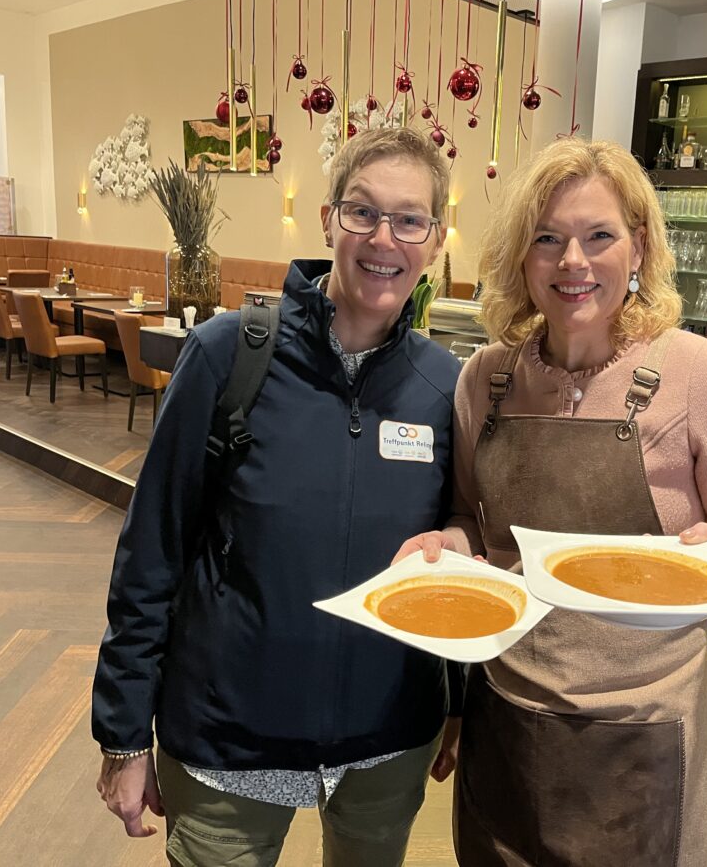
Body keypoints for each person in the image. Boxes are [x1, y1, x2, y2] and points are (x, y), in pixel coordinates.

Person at [396, 139, 707, 866]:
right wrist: (448, 549)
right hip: (507, 724)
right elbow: (467, 520)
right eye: (546, 239)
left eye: (598, 236)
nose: (571, 262)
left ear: (639, 247)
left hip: (643, 740)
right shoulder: (484, 381)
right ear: (522, 259)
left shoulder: (699, 374)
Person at [91, 126, 463, 867]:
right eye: (362, 212)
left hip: (385, 741)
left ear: (436, 238)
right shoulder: (228, 356)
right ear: (328, 219)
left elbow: (455, 560)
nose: (383, 238)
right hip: (230, 741)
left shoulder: (445, 388)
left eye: (409, 219)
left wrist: (456, 701)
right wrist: (125, 733)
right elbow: (152, 554)